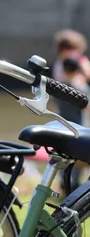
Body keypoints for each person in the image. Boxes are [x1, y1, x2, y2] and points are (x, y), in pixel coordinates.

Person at [52, 29, 90, 191]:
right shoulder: (64, 67)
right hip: (72, 115)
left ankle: (71, 182)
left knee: (71, 147)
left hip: (70, 115)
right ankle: (68, 183)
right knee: (74, 145)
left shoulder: (66, 63)